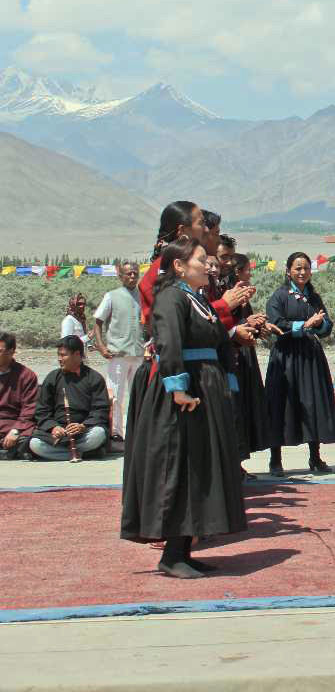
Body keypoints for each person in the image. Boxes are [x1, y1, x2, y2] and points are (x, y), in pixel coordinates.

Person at [120, 237, 245, 578]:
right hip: (184, 394)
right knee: (181, 466)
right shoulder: (171, 298)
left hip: (206, 389)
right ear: (179, 265)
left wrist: (227, 384)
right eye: (202, 260)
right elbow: (169, 343)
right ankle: (172, 555)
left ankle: (185, 551)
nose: (209, 265)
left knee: (200, 467)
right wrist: (178, 390)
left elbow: (219, 341)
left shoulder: (198, 300)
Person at [264, 252, 335, 476]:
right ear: (288, 271)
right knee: (281, 404)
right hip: (285, 358)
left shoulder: (313, 297)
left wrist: (320, 324)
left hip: (310, 358)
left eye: (306, 268)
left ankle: (315, 458)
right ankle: (275, 461)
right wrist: (305, 324)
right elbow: (276, 323)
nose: (302, 272)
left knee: (311, 403)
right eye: (297, 268)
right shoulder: (279, 296)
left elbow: (326, 326)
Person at [228, 253, 276, 475]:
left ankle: (239, 463)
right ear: (237, 272)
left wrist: (259, 328)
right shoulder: (228, 297)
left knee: (245, 409)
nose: (250, 273)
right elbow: (228, 324)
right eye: (247, 269)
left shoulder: (243, 298)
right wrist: (246, 323)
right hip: (234, 359)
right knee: (235, 410)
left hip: (246, 358)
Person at [30, 336, 110, 461]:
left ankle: (64, 453)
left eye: (63, 355)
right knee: (35, 444)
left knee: (98, 434)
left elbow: (100, 410)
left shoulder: (94, 378)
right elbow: (42, 411)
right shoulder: (53, 377)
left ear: (77, 354)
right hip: (59, 433)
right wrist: (53, 427)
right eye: (58, 355)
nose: (59, 359)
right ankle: (83, 454)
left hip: (84, 431)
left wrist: (82, 426)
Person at [91, 261, 142, 442]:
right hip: (117, 354)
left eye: (135, 273)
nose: (132, 276)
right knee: (116, 395)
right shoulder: (111, 296)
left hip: (139, 353)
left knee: (138, 394)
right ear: (120, 276)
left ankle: (137, 431)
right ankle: (116, 432)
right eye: (128, 274)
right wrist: (101, 346)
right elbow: (98, 321)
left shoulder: (143, 296)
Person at [0, 332, 38, 461]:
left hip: (14, 424)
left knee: (32, 438)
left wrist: (16, 430)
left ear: (11, 351)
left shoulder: (26, 375)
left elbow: (29, 408)